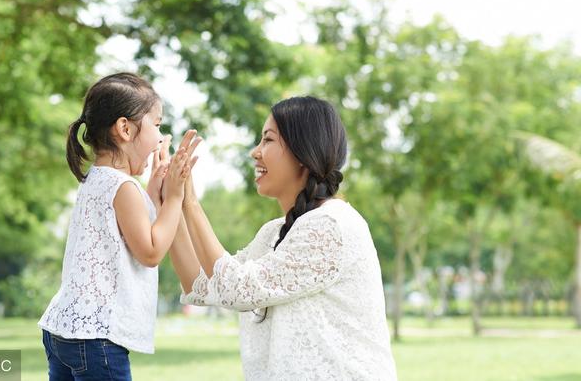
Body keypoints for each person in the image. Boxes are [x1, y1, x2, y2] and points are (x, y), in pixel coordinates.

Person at [165, 96, 398, 380]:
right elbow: (202, 285)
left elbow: (235, 288)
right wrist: (171, 204)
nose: (255, 152)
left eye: (268, 140)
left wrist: (190, 202)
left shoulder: (331, 225)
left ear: (303, 152)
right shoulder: (274, 233)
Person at [38, 72, 199, 380]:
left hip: (64, 329)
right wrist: (176, 196)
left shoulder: (98, 180)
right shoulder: (123, 187)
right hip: (96, 337)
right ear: (125, 129)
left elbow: (133, 228)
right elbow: (150, 251)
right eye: (157, 124)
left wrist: (153, 191)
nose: (160, 137)